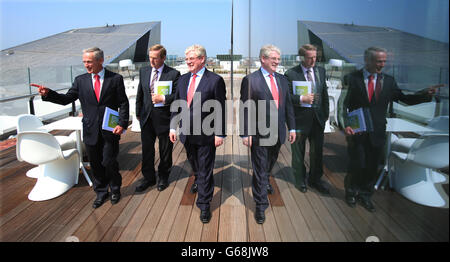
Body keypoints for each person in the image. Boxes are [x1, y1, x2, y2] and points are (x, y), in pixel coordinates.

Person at [341, 46, 441, 212]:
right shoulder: (353, 78)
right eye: (379, 61)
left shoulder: (389, 81)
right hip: (358, 131)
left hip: (378, 131)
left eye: (384, 61)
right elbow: (344, 105)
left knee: (373, 166)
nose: (383, 64)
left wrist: (425, 94)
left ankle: (365, 195)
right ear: (368, 61)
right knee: (356, 164)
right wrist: (346, 124)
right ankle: (351, 192)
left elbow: (404, 99)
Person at [36, 47, 129, 208]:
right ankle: (101, 192)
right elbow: (66, 99)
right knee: (95, 164)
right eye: (84, 62)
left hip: (110, 129)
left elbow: (123, 103)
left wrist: (122, 123)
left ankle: (115, 189)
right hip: (90, 129)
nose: (86, 65)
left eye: (89, 61)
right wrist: (48, 94)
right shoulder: (80, 80)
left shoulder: (115, 79)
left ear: (100, 61)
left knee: (109, 161)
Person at [169, 44, 226, 224]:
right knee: (195, 165)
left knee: (205, 169)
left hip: (206, 134)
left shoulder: (215, 80)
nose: (188, 62)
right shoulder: (183, 79)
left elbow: (221, 109)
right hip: (186, 133)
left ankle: (204, 204)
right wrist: (173, 127)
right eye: (186, 59)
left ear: (202, 59)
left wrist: (220, 133)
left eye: (191, 59)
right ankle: (200, 181)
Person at [240, 44, 296, 224]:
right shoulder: (250, 80)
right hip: (259, 133)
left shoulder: (282, 80)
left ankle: (264, 181)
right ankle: (260, 205)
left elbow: (288, 106)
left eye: (278, 60)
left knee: (269, 164)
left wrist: (292, 128)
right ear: (263, 59)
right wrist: (245, 133)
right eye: (274, 60)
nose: (277, 62)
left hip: (279, 133)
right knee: (260, 167)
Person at [284, 44, 330, 194]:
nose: (313, 60)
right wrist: (301, 98)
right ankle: (300, 180)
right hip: (299, 120)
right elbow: (286, 98)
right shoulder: (291, 74)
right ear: (302, 57)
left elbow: (324, 95)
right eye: (309, 57)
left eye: (315, 57)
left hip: (318, 120)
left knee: (317, 153)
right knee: (299, 153)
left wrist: (325, 115)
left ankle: (315, 179)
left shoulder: (321, 71)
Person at [135, 44, 180, 193]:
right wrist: (138, 113)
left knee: (165, 150)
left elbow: (178, 96)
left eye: (155, 58)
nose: (152, 61)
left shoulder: (174, 74)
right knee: (147, 150)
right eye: (150, 58)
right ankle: (148, 178)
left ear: (163, 58)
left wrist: (164, 98)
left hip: (164, 118)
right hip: (146, 118)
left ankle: (163, 176)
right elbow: (140, 93)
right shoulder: (144, 71)